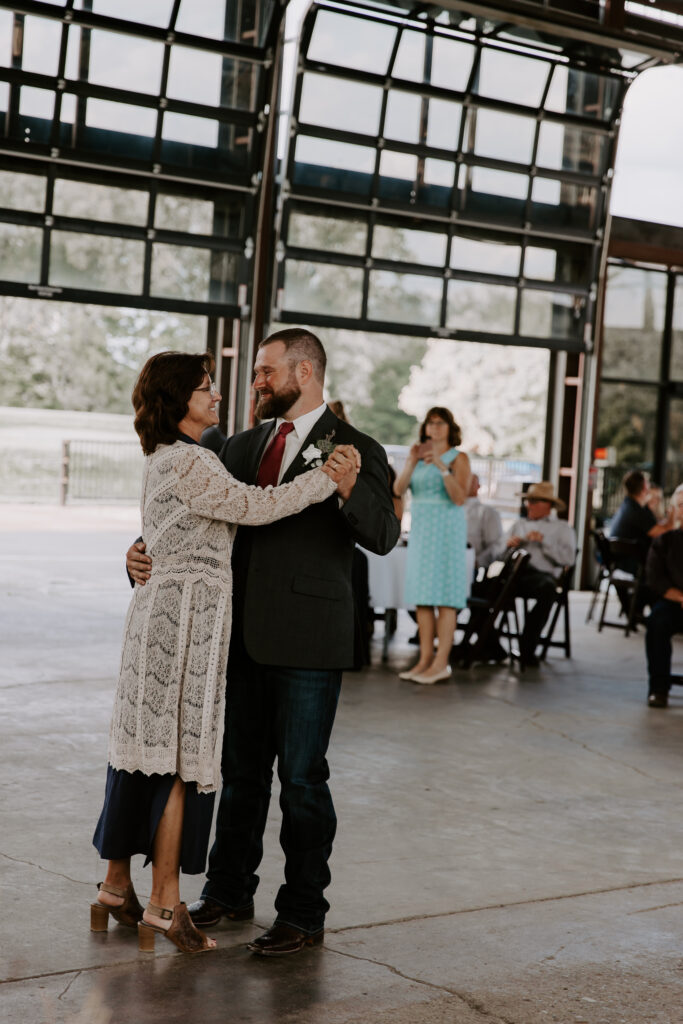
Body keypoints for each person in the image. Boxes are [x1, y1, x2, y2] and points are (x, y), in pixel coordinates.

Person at [126, 328, 400, 956]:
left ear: (304, 372)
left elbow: (383, 535)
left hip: (309, 640)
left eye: (265, 371)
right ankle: (227, 890)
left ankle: (303, 911)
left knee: (302, 780)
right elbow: (194, 516)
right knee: (239, 774)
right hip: (236, 636)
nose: (254, 382)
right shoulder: (237, 445)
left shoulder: (357, 448)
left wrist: (352, 489)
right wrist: (140, 555)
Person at [393, 407, 470, 685]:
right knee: (423, 597)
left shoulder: (458, 458)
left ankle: (441, 663)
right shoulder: (418, 457)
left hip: (447, 529)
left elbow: (459, 497)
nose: (435, 428)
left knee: (445, 598)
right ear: (425, 427)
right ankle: (424, 660)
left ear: (450, 428)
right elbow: (398, 490)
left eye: (441, 423)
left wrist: (440, 464)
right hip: (423, 530)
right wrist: (412, 462)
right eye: (431, 423)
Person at [500, 481, 576, 667]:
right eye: (529, 501)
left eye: (534, 501)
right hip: (515, 575)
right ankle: (486, 643)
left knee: (547, 589)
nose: (530, 505)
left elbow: (569, 559)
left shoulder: (562, 528)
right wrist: (507, 546)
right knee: (487, 585)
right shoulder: (518, 525)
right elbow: (498, 552)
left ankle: (527, 647)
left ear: (548, 505)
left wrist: (545, 543)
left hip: (542, 577)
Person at [644, 485, 683, 708]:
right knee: (657, 622)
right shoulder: (665, 541)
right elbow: (655, 579)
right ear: (675, 511)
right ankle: (659, 689)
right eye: (682, 505)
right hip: (673, 602)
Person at [465, 473, 503, 570]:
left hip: (470, 567)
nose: (464, 483)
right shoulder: (447, 510)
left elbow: (497, 545)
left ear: (478, 486)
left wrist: (477, 562)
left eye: (470, 481)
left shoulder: (487, 512)